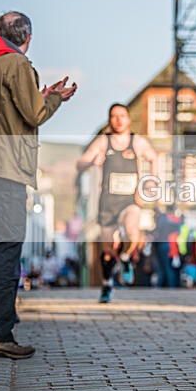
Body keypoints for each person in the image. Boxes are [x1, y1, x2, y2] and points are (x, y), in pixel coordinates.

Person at [0, 12, 77, 359]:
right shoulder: (15, 63)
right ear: (27, 37)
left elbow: (4, 109)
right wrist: (55, 98)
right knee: (5, 252)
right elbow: (33, 115)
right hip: (3, 169)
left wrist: (39, 95)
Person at [77, 103, 158, 303]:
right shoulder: (103, 142)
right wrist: (92, 161)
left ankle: (125, 259)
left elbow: (154, 157)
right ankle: (107, 284)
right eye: (114, 116)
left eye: (122, 115)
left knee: (132, 232)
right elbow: (80, 163)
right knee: (107, 251)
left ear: (129, 119)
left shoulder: (136, 141)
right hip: (108, 202)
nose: (118, 120)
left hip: (131, 199)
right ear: (109, 120)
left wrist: (149, 183)